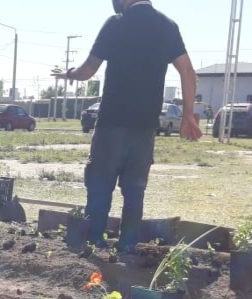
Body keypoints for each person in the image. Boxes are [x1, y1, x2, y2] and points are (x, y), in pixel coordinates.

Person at [54, 0, 202, 251]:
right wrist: (188, 114)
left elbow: (89, 69)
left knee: (100, 184)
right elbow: (187, 70)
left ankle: (94, 241)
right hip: (145, 127)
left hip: (112, 123)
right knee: (134, 191)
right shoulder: (167, 26)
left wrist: (68, 74)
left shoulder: (116, 24)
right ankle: (128, 247)